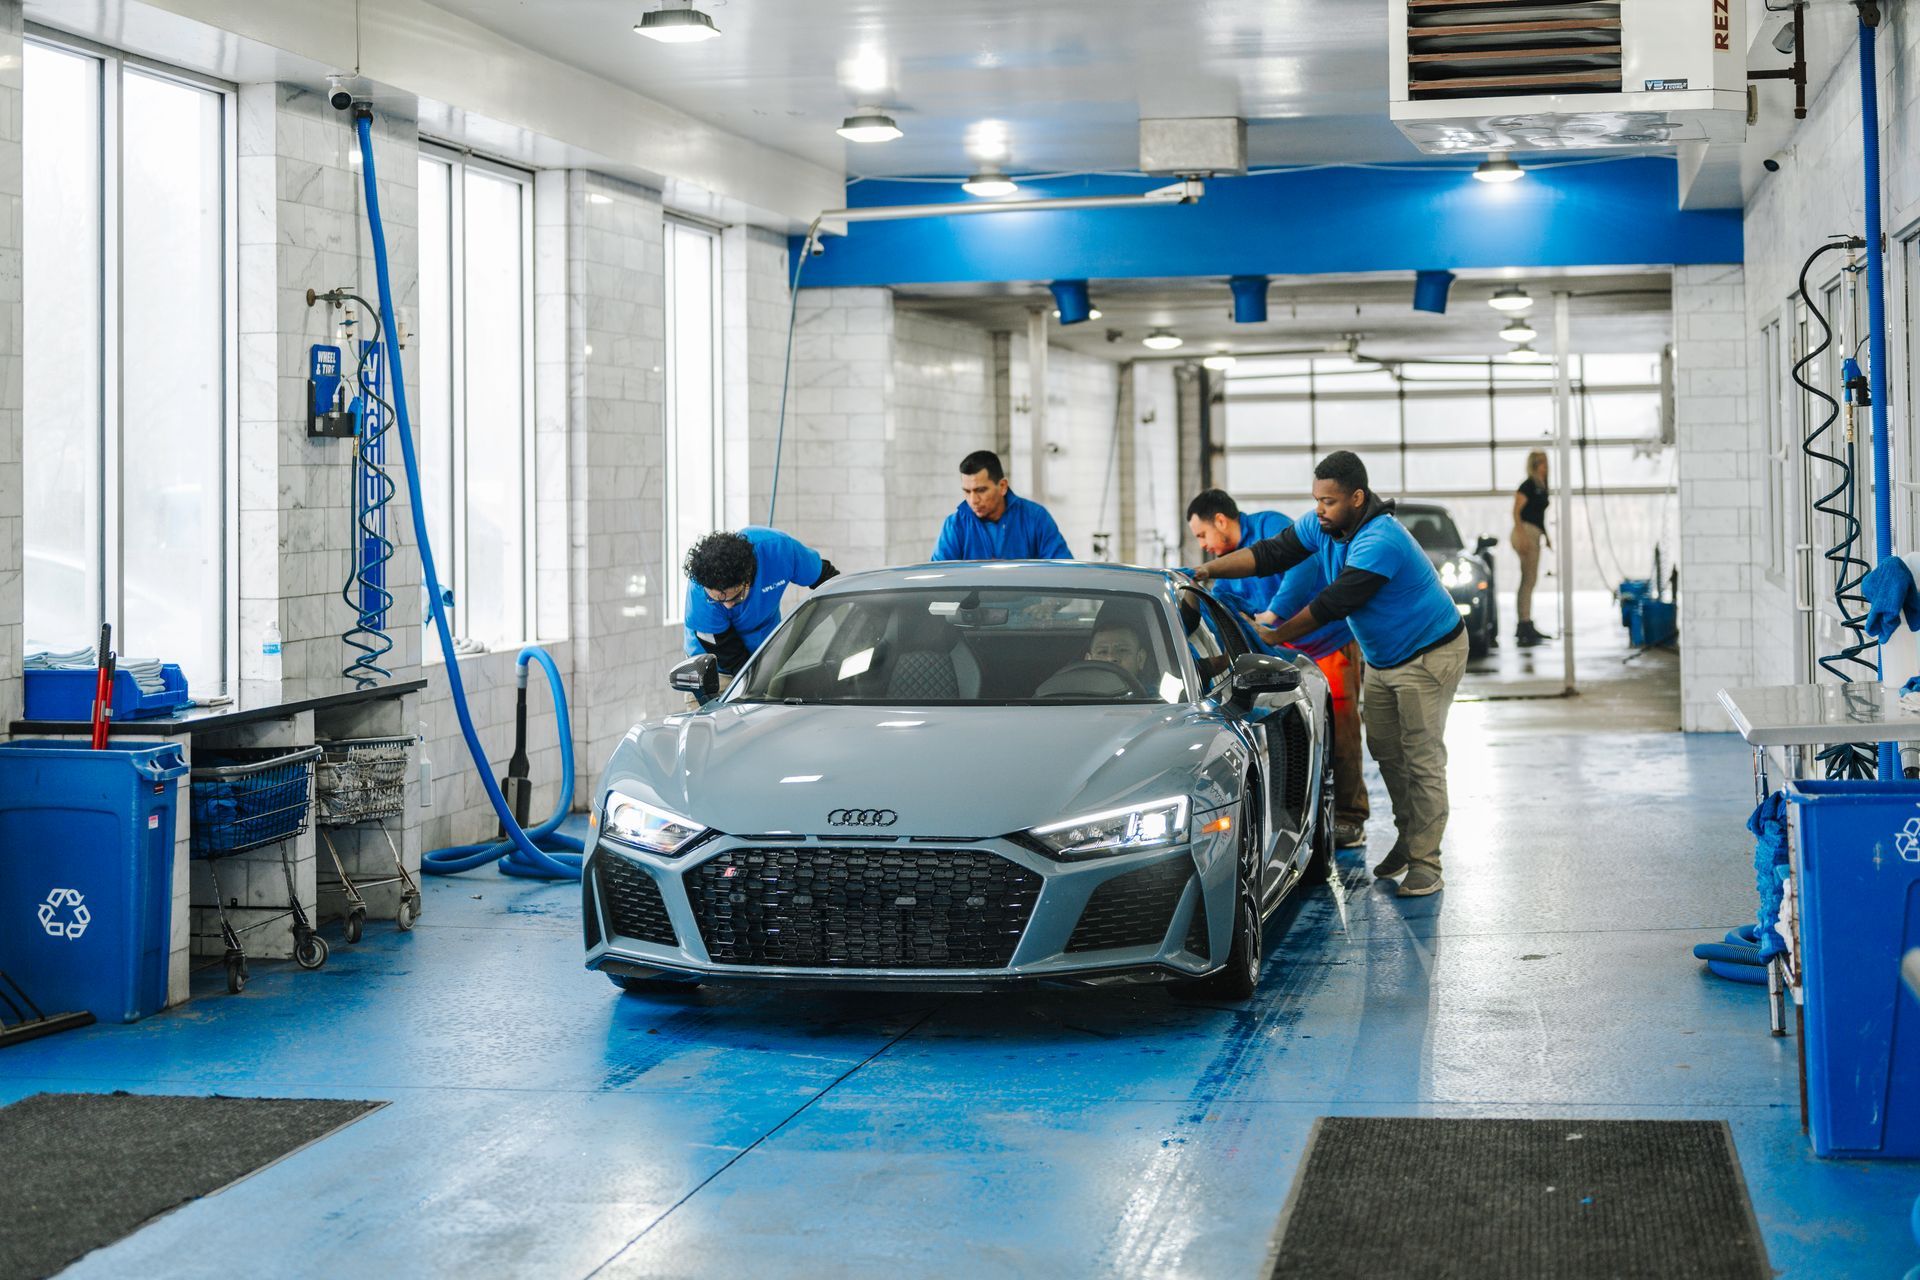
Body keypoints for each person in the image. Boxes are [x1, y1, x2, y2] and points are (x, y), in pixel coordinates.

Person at [1194, 451, 1467, 897]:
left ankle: (1427, 863)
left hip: (1429, 654)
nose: (1319, 509)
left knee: (1420, 757)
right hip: (1384, 658)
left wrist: (1275, 633)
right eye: (1316, 499)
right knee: (1385, 750)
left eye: (1329, 501)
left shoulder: (1380, 541)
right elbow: (1269, 554)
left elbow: (1333, 603)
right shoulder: (1321, 526)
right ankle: (1411, 837)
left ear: (1357, 498)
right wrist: (1207, 569)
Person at [1189, 488, 1369, 849]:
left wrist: (1274, 616)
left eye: (1202, 535)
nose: (1204, 545)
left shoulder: (1271, 525)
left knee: (1342, 730)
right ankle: (1305, 816)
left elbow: (1305, 564)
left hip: (1327, 645)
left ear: (1221, 521)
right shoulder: (1226, 575)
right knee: (1299, 735)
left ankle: (1350, 818)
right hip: (1280, 658)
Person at [682, 527, 838, 703]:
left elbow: (826, 578)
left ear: (748, 578)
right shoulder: (700, 588)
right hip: (716, 669)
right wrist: (757, 682)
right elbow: (726, 650)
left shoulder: (778, 550)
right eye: (718, 600)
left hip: (764, 656)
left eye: (736, 598)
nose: (727, 606)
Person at [932, 450, 1072, 561]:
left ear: (1003, 486)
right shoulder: (955, 525)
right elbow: (939, 581)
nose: (973, 500)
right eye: (967, 491)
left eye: (981, 490)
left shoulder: (1035, 518)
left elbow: (1062, 572)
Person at [1513, 450, 1553, 647]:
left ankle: (1525, 620)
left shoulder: (1542, 486)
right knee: (1528, 579)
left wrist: (1546, 535)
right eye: (1540, 463)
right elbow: (1517, 512)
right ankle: (1524, 622)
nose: (1544, 467)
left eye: (1545, 463)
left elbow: (1539, 515)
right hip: (1526, 532)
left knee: (1529, 579)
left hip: (1535, 532)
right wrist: (1522, 537)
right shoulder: (1528, 486)